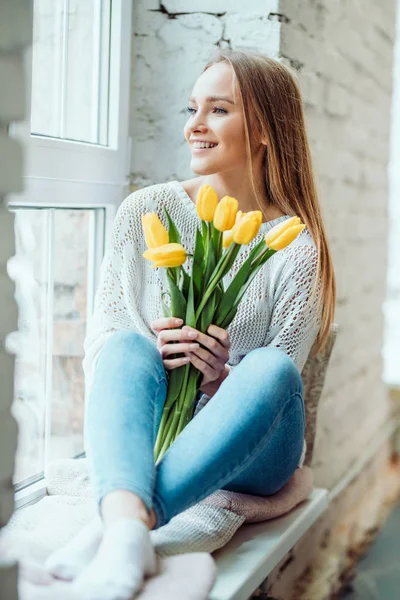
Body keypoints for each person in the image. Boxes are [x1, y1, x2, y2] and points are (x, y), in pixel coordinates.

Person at [45, 49, 336, 599]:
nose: (193, 126)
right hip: (155, 431)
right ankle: (129, 530)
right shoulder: (148, 211)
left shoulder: (296, 245)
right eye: (191, 108)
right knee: (126, 347)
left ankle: (123, 521)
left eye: (218, 110)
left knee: (270, 367)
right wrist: (161, 354)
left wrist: (219, 379)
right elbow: (103, 347)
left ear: (266, 129)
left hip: (254, 451)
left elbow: (281, 380)